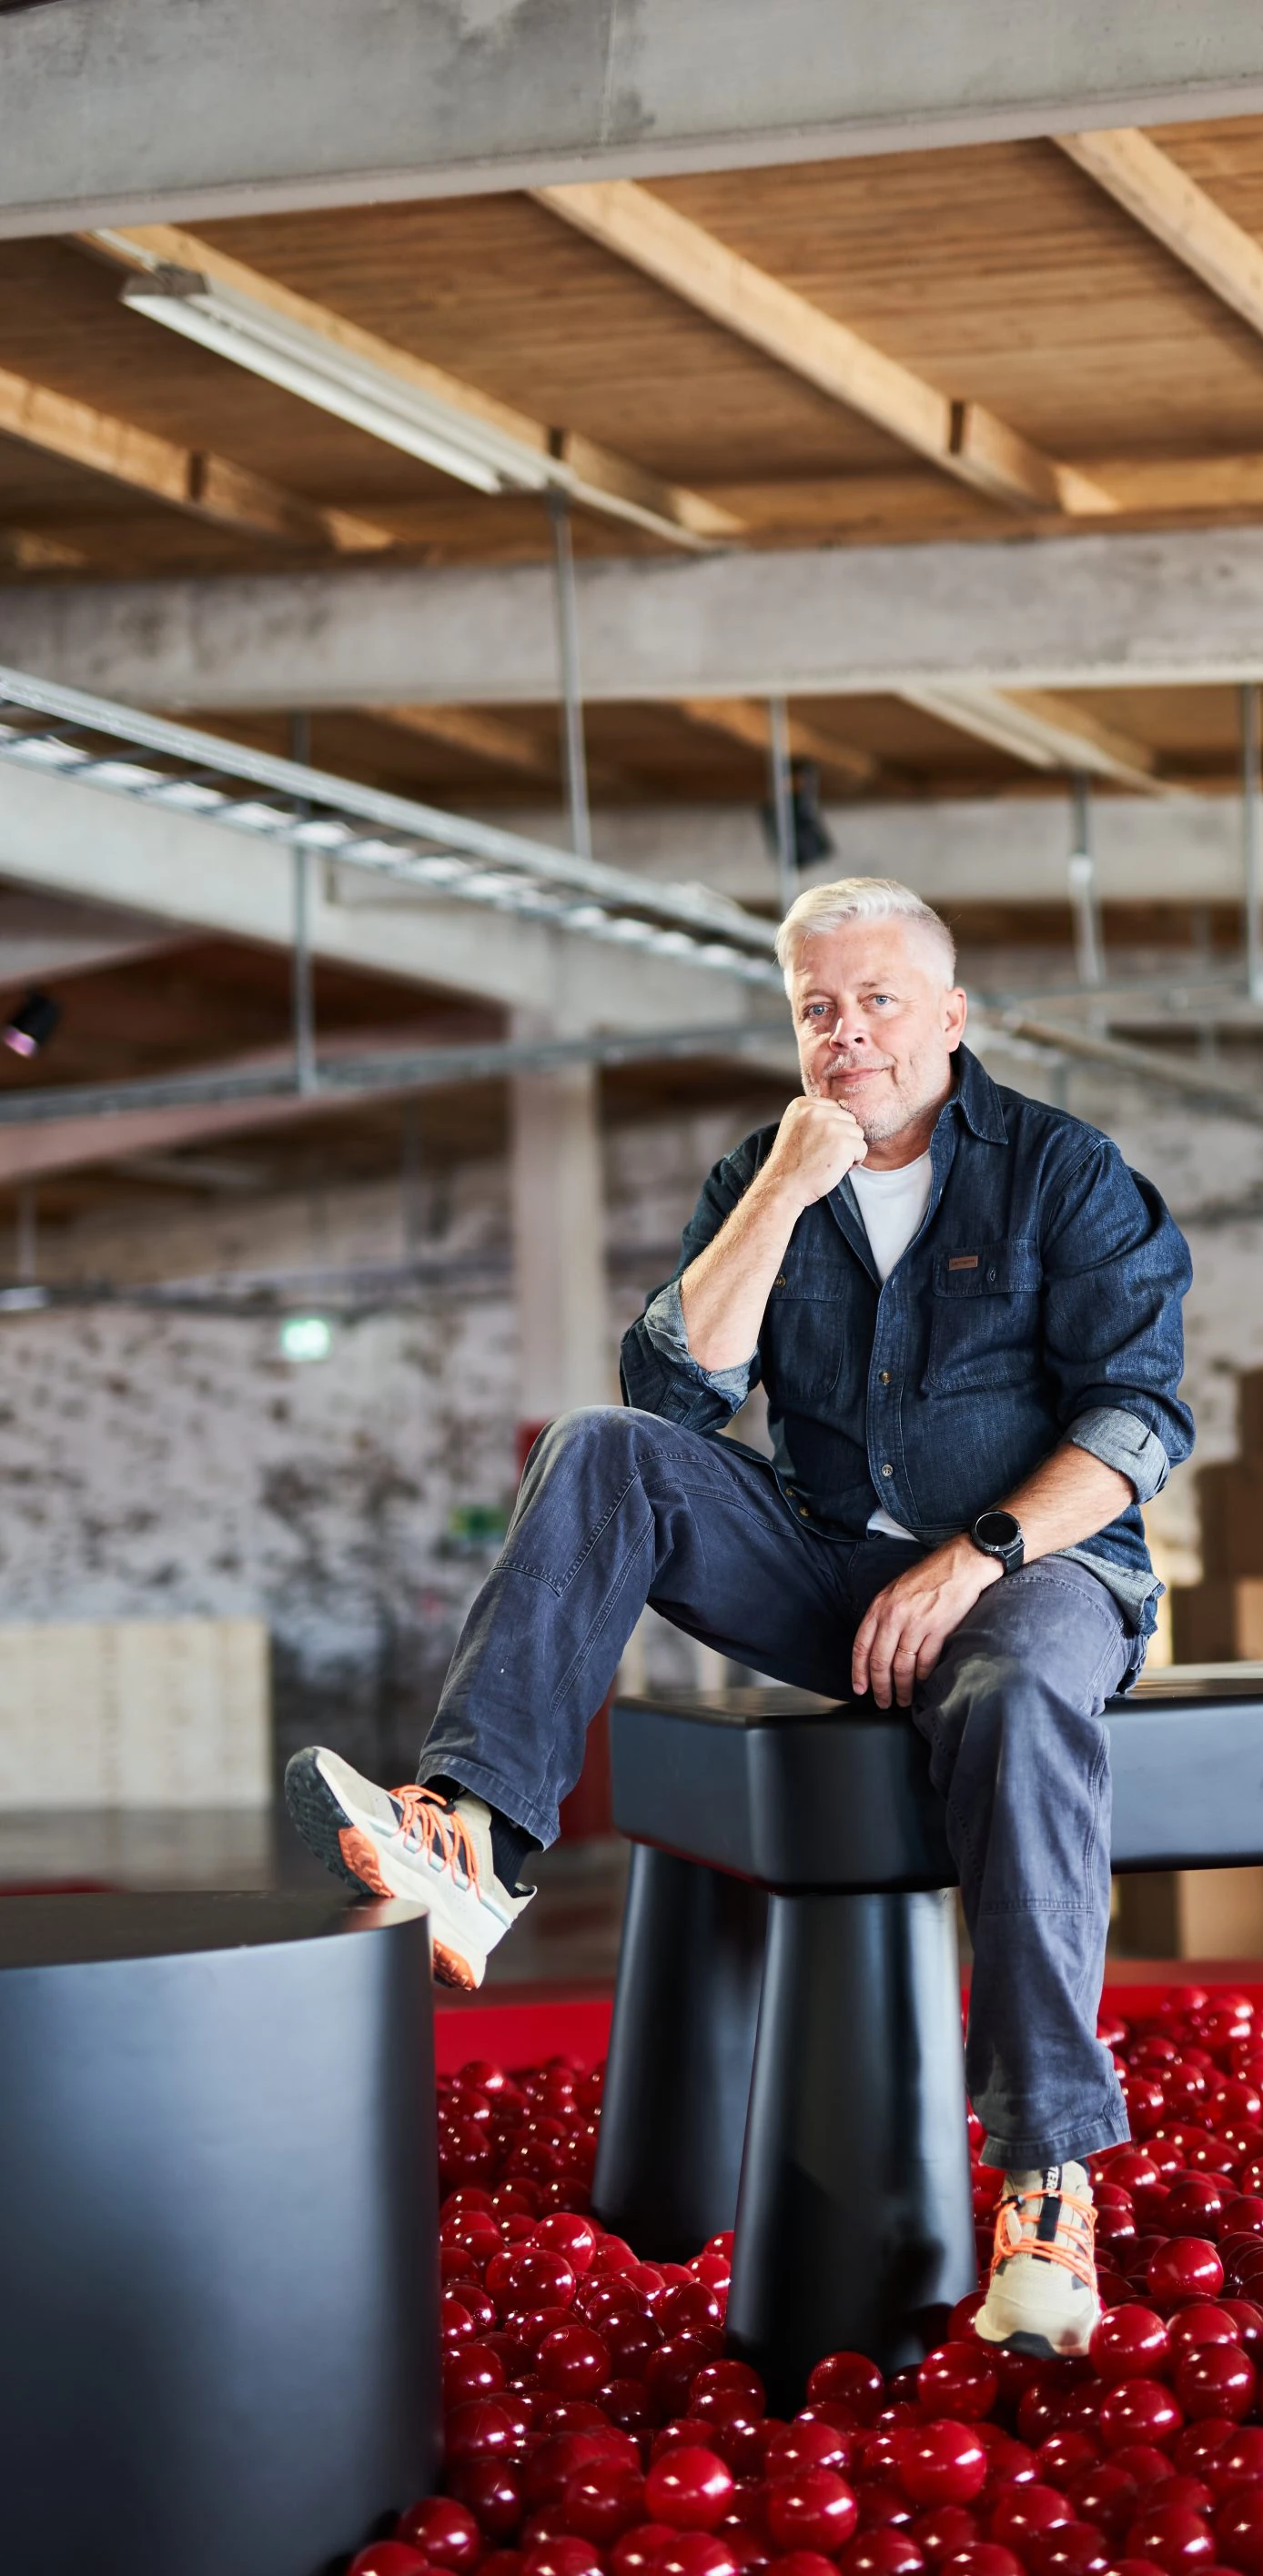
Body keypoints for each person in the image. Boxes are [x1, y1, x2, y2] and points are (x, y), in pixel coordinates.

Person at [287, 875, 1193, 2355]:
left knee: (1021, 1691)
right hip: (831, 1575)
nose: (849, 1035)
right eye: (817, 1009)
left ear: (950, 1016)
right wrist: (784, 1188)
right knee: (600, 1449)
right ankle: (476, 1841)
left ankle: (1047, 2179)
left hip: (1035, 1575)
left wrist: (976, 1558)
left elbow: (1139, 1421)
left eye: (879, 1001)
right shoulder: (761, 1174)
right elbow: (675, 1397)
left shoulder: (1063, 1172)